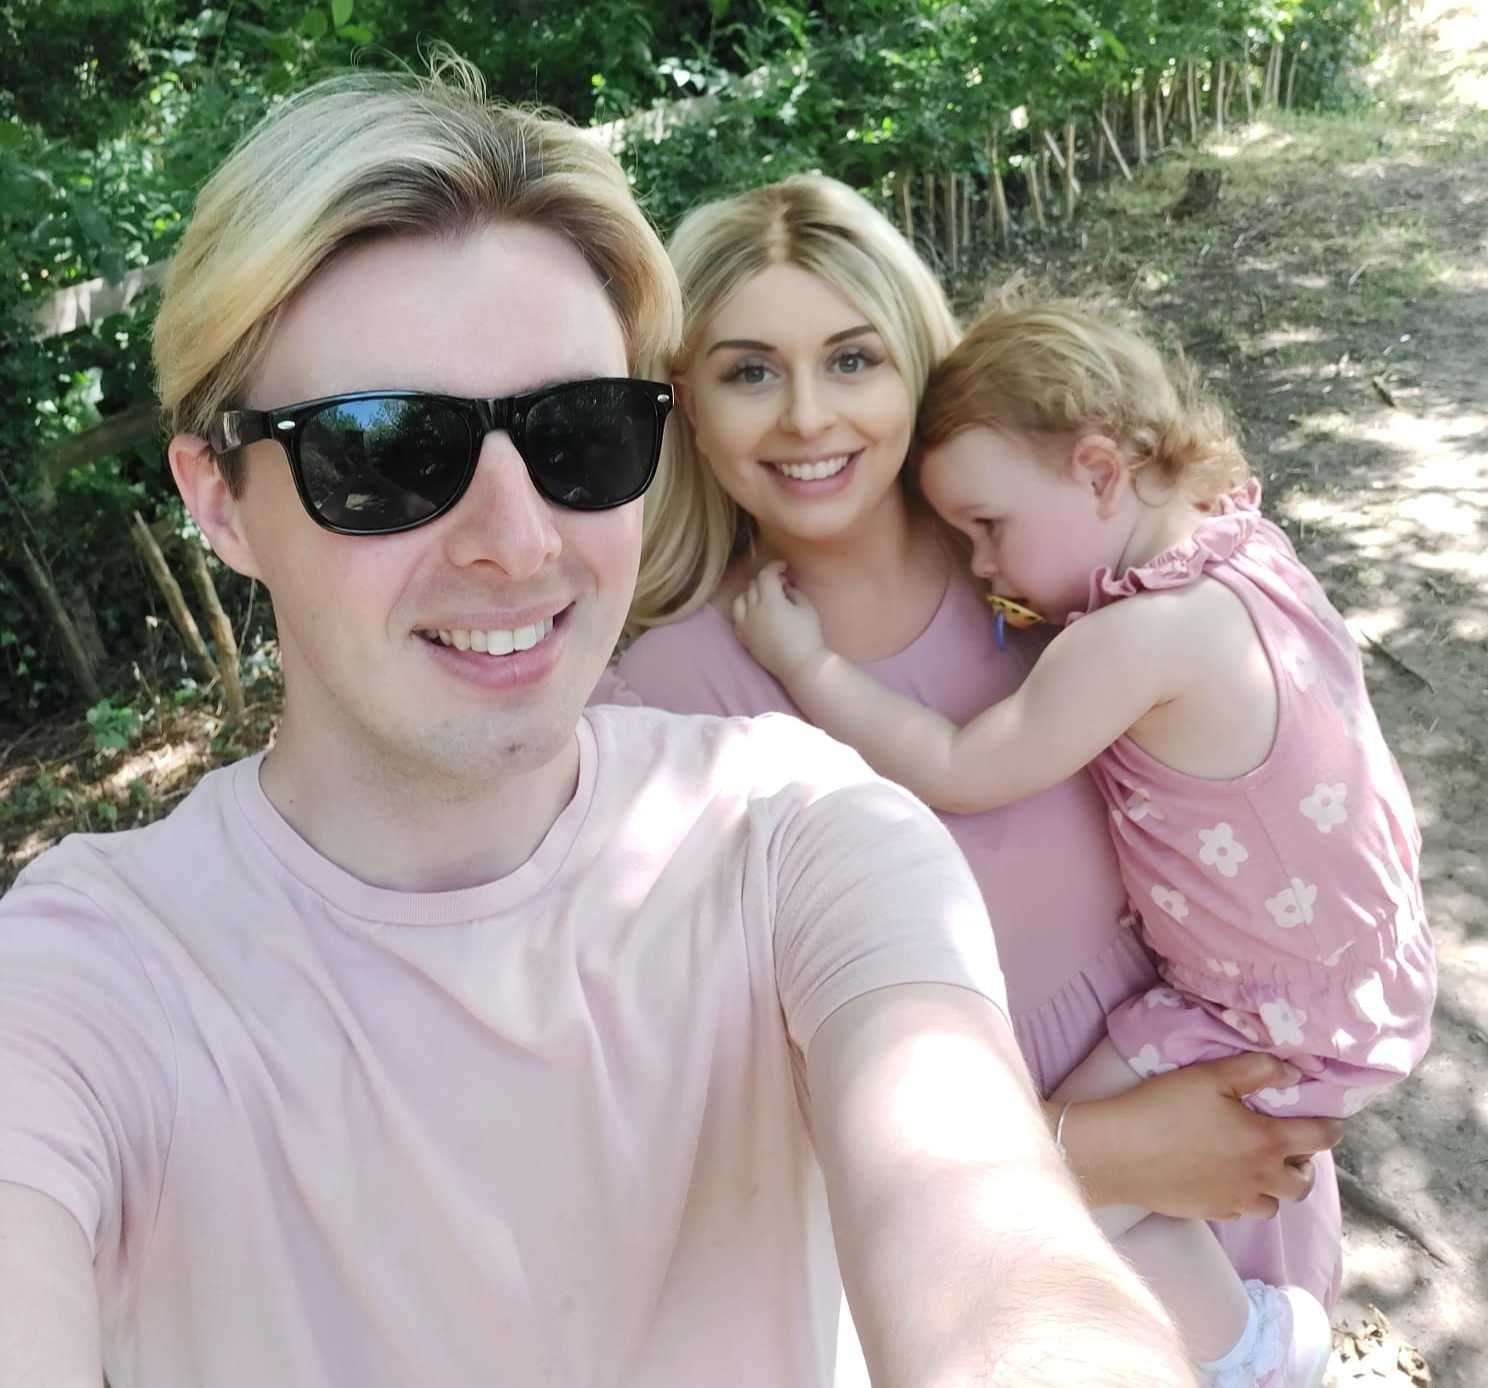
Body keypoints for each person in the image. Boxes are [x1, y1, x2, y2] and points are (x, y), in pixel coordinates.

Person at [0, 59, 1200, 1388]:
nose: (518, 545)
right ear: (219, 500)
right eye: (389, 452)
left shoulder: (797, 830)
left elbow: (996, 1265)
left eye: (579, 435)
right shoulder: (89, 982)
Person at [597, 173, 1349, 1352]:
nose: (806, 417)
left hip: (1239, 1162)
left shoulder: (1056, 574)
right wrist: (1091, 1147)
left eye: (852, 360)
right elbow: (706, 1116)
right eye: (750, 371)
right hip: (984, 1263)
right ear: (686, 400)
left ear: (917, 364)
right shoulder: (657, 707)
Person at [732, 292, 1437, 1387]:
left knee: (1045, 1194)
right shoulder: (1241, 546)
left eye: (988, 526)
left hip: (1252, 1012)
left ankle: (1260, 1356)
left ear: (1100, 471)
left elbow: (968, 765)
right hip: (1356, 967)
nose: (977, 566)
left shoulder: (1134, 641)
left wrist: (809, 665)